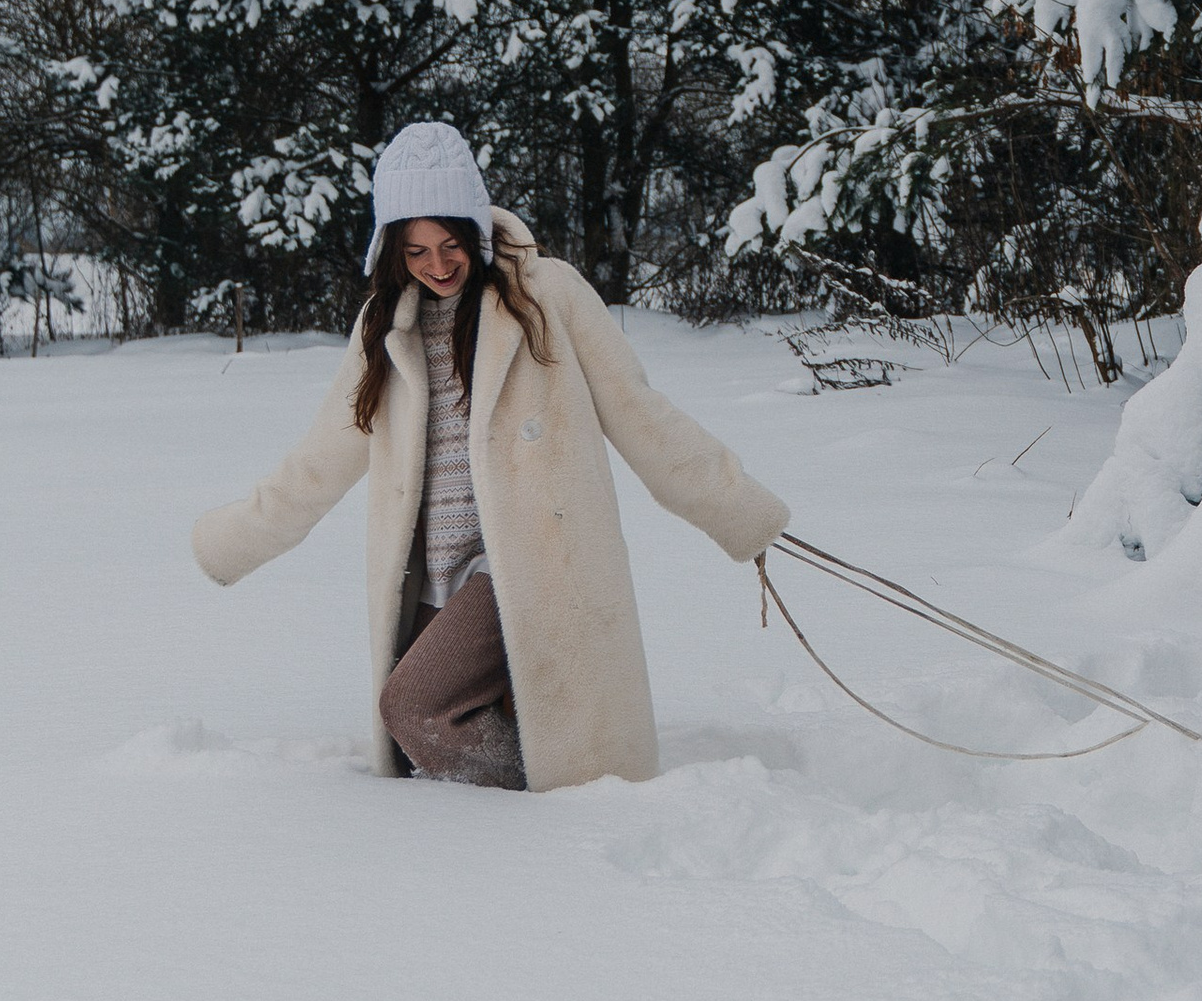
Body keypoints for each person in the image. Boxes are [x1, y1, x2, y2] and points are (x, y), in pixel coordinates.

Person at [191, 119, 788, 791]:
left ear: (476, 227)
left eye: (450, 243)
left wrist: (738, 511)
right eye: (415, 248)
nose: (437, 264)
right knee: (417, 731)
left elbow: (641, 414)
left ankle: (535, 814)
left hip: (525, 563)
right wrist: (231, 543)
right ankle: (526, 781)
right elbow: (319, 460)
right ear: (389, 248)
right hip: (435, 572)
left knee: (414, 708)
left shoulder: (546, 296)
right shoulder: (384, 328)